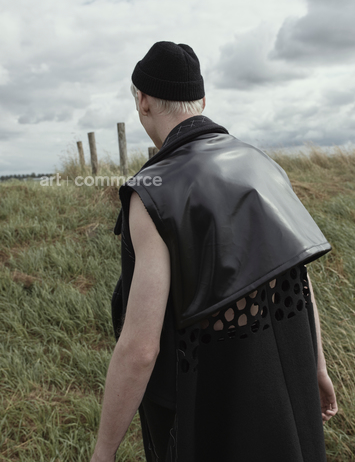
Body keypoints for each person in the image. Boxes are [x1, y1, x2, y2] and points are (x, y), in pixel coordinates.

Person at [91, 41, 338, 462]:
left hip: (215, 416)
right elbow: (297, 278)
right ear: (201, 101)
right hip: (288, 398)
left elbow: (141, 349)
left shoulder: (152, 193)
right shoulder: (262, 164)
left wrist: (104, 451)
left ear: (143, 101)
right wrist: (317, 367)